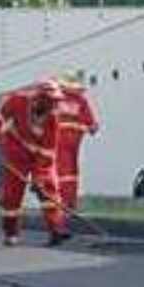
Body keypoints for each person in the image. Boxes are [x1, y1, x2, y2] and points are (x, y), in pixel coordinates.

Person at [0, 81, 67, 247]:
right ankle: (11, 234)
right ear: (39, 98)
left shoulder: (53, 119)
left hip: (39, 158)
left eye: (56, 101)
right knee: (12, 196)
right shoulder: (18, 100)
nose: (54, 104)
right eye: (51, 100)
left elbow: (48, 153)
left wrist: (40, 178)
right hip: (15, 151)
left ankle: (56, 230)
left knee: (49, 189)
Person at [52, 74, 99, 214]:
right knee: (71, 171)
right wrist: (92, 127)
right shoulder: (80, 100)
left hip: (60, 140)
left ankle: (65, 203)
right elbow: (92, 124)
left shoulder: (56, 100)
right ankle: (70, 202)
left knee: (64, 171)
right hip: (75, 140)